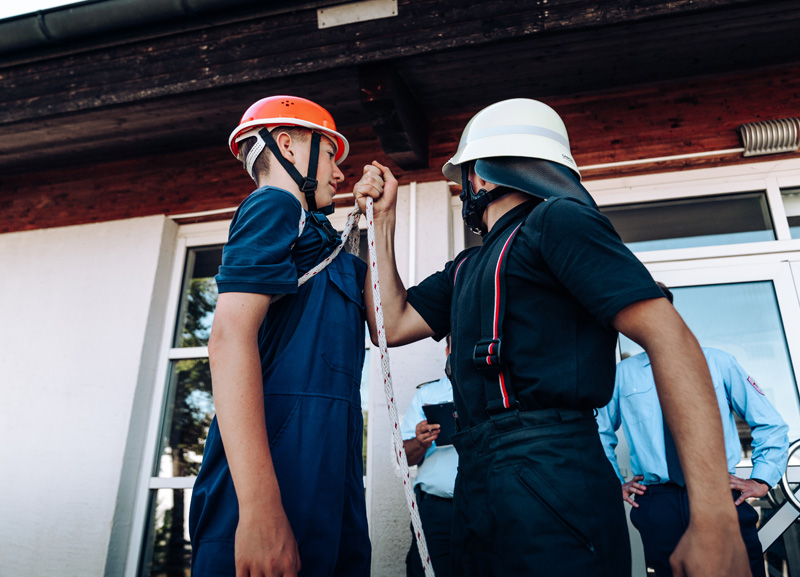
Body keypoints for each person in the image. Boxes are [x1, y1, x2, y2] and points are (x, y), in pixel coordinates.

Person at [354, 97, 751, 576]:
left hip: (553, 470)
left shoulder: (558, 222)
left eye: (464, 178)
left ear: (481, 174)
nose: (462, 192)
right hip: (478, 478)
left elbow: (671, 339)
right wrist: (382, 219)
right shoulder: (465, 268)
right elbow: (388, 323)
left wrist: (713, 517)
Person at [188, 95, 370, 577]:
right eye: (332, 155)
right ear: (288, 146)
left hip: (331, 474)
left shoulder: (326, 243)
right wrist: (260, 509)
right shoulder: (275, 206)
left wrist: (382, 217)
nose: (339, 174)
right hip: (277, 475)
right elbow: (228, 338)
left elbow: (391, 323)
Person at [596, 282, 789, 577]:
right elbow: (599, 432)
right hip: (658, 503)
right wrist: (613, 485)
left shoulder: (718, 362)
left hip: (720, 493)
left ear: (669, 313)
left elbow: (769, 423)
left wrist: (762, 480)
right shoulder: (622, 375)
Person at [401, 334, 458, 577]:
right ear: (447, 352)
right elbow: (405, 458)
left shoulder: (501, 392)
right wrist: (420, 441)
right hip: (438, 511)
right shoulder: (427, 395)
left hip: (489, 507)